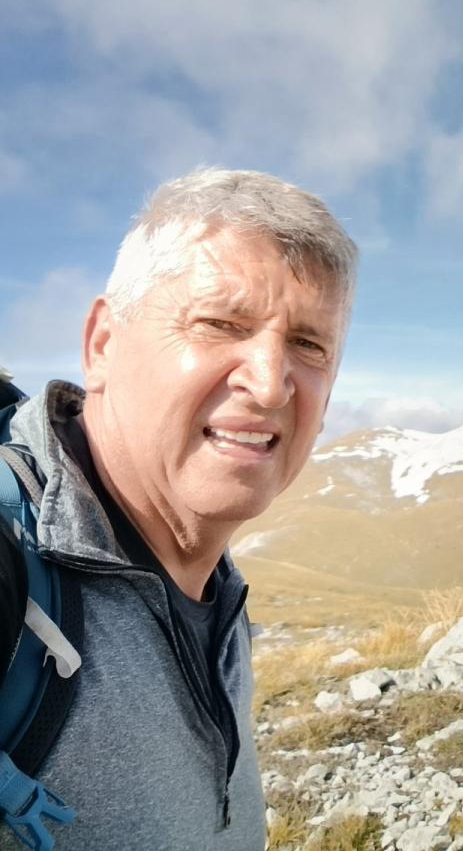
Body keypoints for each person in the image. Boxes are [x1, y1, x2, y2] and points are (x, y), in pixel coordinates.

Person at [0, 168, 357, 851]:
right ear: (103, 344)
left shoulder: (215, 578)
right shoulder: (12, 567)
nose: (270, 383)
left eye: (309, 344)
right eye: (221, 323)